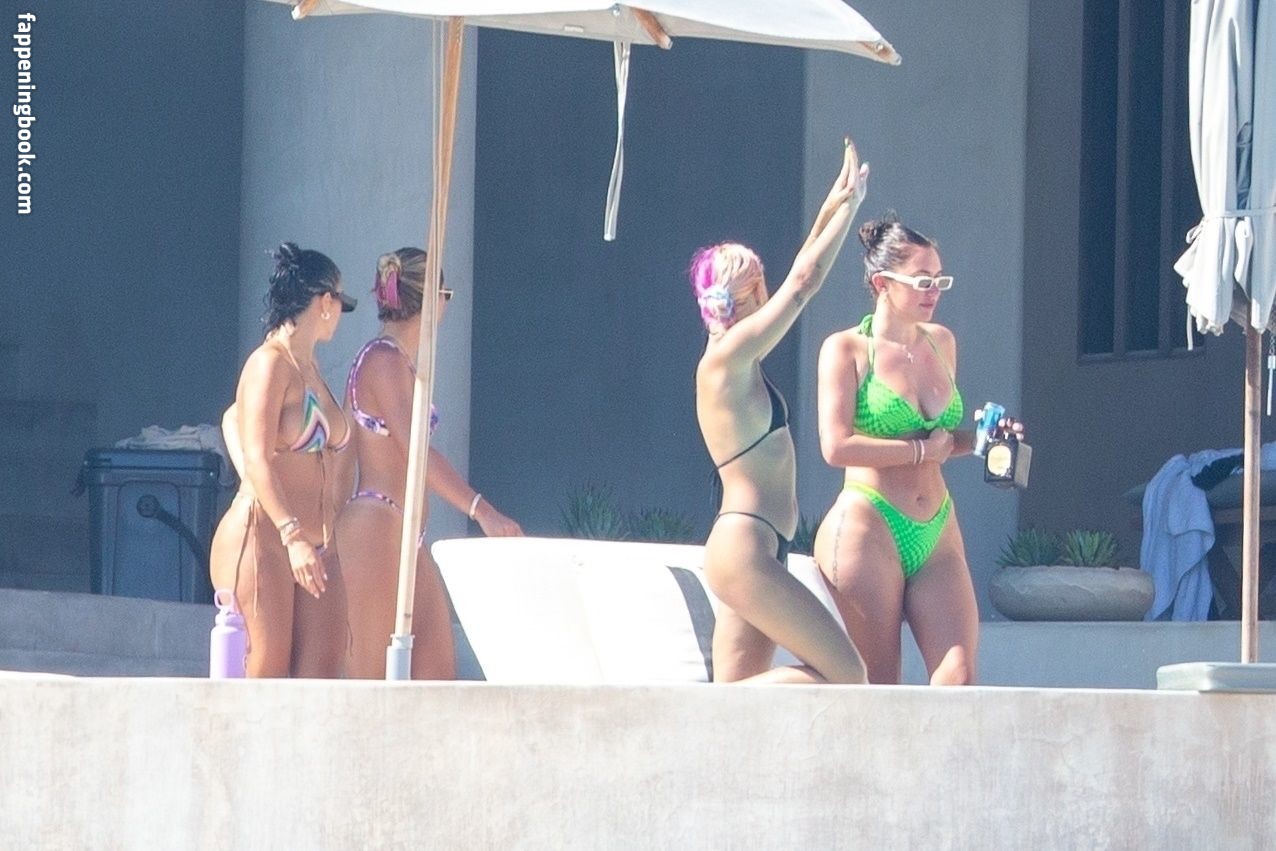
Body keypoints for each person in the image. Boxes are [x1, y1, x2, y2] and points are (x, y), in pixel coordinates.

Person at [813, 212, 1021, 685]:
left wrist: (984, 440)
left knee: (959, 676)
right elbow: (836, 446)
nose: (934, 292)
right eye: (923, 281)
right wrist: (919, 454)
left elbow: (940, 441)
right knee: (879, 683)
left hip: (936, 527)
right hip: (869, 522)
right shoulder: (847, 349)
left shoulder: (942, 342)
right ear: (883, 283)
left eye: (940, 280)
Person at [694, 140, 870, 684]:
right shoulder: (727, 357)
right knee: (849, 677)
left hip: (757, 547)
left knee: (739, 711)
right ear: (750, 292)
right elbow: (803, 282)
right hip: (745, 550)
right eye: (760, 283)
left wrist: (832, 204)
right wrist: (852, 210)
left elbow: (797, 272)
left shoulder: (732, 356)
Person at [336, 247, 523, 680]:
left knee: (436, 677)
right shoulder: (383, 361)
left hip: (402, 531)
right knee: (371, 680)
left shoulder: (392, 362)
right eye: (447, 295)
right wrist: (481, 510)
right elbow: (416, 451)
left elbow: (346, 453)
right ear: (434, 299)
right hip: (376, 526)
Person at [209, 242, 356, 677]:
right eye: (341, 304)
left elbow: (231, 418)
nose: (340, 315)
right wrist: (291, 535)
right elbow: (256, 453)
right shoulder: (269, 363)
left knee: (320, 676)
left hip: (318, 542)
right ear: (325, 302)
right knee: (265, 675)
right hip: (268, 538)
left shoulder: (309, 367)